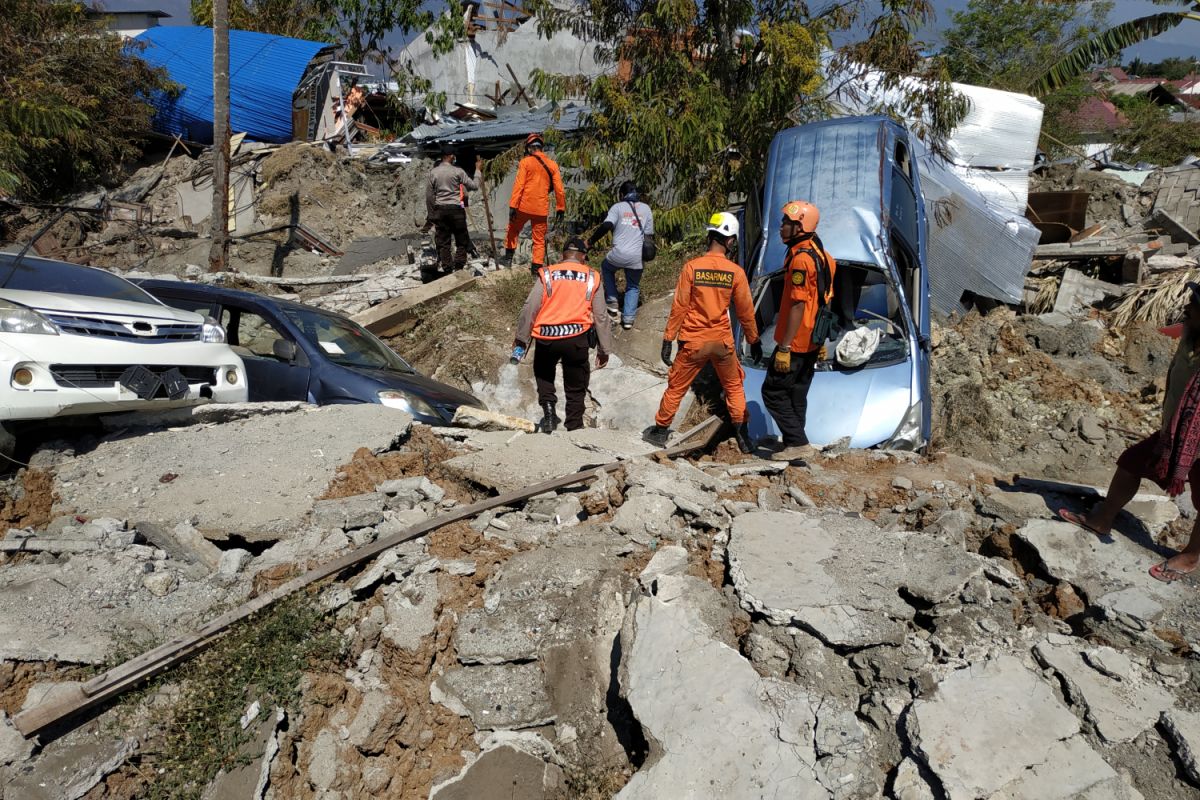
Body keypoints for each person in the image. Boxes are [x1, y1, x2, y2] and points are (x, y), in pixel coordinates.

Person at [1058, 282, 1200, 582]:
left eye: (1194, 306)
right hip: (1176, 432)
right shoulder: (1191, 338)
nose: (1187, 308)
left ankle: (1190, 557)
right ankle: (1102, 519)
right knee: (1131, 462)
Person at [642, 212, 763, 453]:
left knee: (677, 386)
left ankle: (660, 430)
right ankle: (743, 436)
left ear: (710, 235)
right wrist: (754, 340)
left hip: (694, 341)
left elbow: (680, 306)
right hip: (722, 343)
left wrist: (668, 338)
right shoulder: (736, 272)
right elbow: (746, 311)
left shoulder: (692, 268)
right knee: (734, 386)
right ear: (730, 241)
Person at [762, 200, 836, 462]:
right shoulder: (823, 256)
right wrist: (821, 339)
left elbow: (797, 304)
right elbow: (825, 299)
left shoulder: (801, 261)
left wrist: (784, 347)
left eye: (787, 223)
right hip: (812, 339)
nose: (781, 227)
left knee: (772, 392)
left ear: (800, 227)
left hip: (796, 341)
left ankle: (797, 442)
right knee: (796, 393)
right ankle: (796, 445)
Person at [513, 237, 611, 433]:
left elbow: (530, 308)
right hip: (577, 337)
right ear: (583, 256)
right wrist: (604, 349)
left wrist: (521, 339)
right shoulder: (593, 276)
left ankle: (549, 414)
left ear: (563, 255)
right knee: (576, 385)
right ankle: (574, 427)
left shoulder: (548, 273)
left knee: (544, 376)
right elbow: (601, 315)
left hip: (546, 337)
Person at [587, 180, 654, 330]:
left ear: (622, 194)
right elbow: (649, 236)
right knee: (633, 286)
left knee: (606, 266)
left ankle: (612, 301)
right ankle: (629, 319)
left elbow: (607, 225)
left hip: (618, 255)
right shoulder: (646, 209)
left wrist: (590, 241)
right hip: (637, 257)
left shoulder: (617, 207)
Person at [504, 133, 566, 276]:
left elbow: (519, 185)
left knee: (513, 230)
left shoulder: (525, 162)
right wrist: (560, 208)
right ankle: (535, 269)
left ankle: (508, 260)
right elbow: (559, 189)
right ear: (541, 148)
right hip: (540, 209)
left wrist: (513, 206)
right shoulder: (552, 165)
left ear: (530, 148)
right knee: (538, 240)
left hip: (523, 207)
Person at [424, 143, 481, 283]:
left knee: (443, 242)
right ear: (450, 156)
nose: (454, 157)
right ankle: (459, 266)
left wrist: (432, 215)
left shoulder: (433, 173)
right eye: (453, 155)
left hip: (440, 210)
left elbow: (429, 197)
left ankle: (447, 269)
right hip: (456, 210)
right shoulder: (458, 171)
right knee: (461, 240)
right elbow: (474, 186)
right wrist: (478, 171)